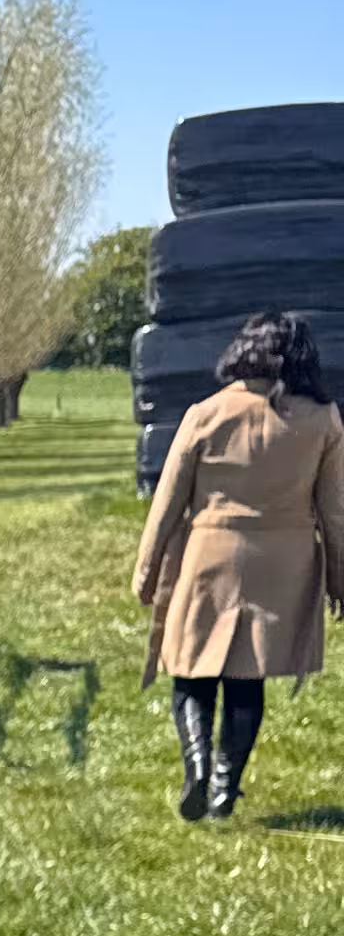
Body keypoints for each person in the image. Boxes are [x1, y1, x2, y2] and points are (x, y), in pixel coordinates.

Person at [135, 309, 344, 820]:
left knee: (190, 671)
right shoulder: (323, 421)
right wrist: (340, 579)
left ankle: (198, 766)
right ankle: (227, 786)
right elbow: (335, 510)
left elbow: (168, 503)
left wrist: (146, 568)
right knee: (247, 678)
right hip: (284, 563)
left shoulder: (205, 413)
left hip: (210, 554)